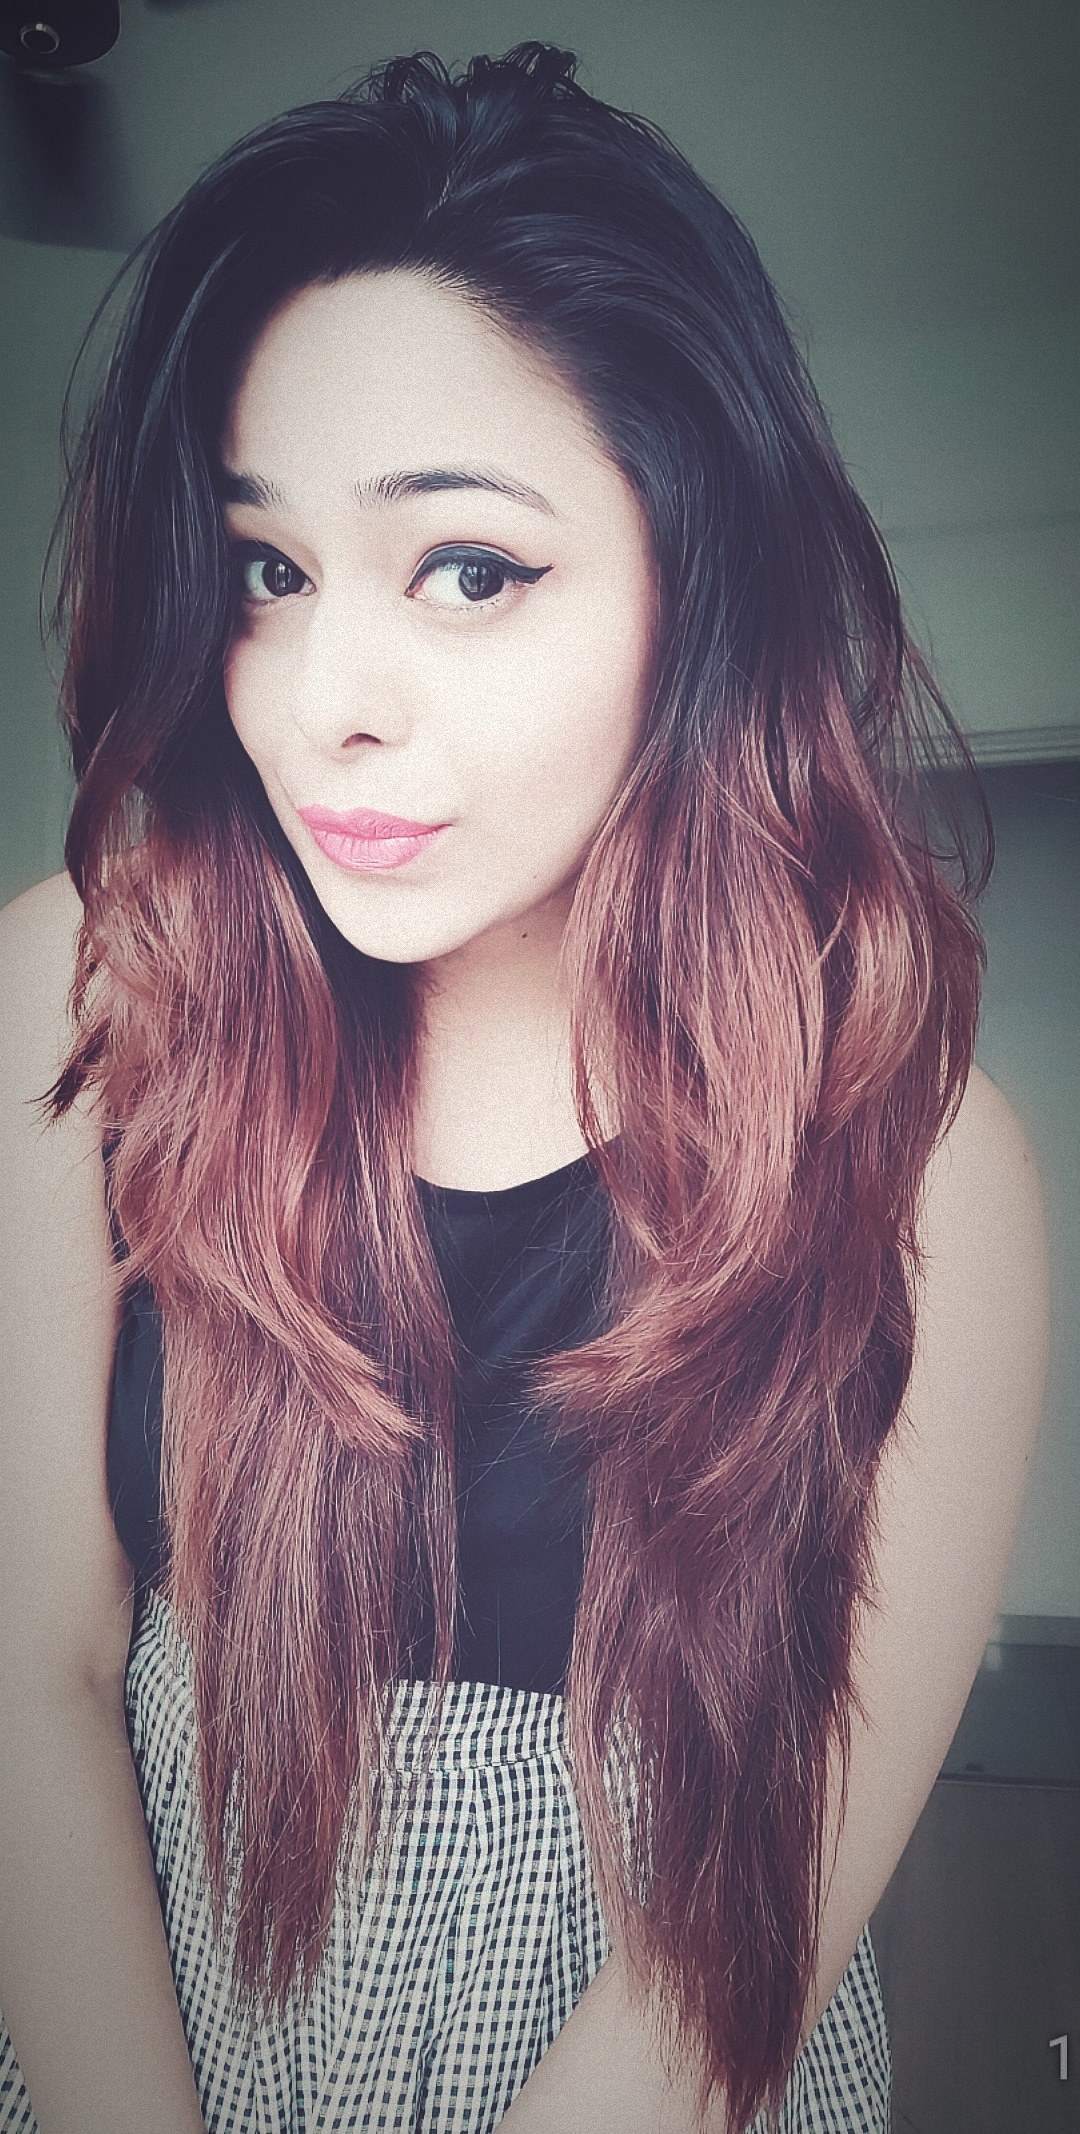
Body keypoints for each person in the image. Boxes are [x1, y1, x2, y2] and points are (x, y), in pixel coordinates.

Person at [0, 38, 1049, 2134]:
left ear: (697, 585)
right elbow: (34, 1674)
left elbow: (755, 1930)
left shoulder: (921, 1166)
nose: (323, 700)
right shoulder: (85, 991)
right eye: (271, 569)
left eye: (468, 570)